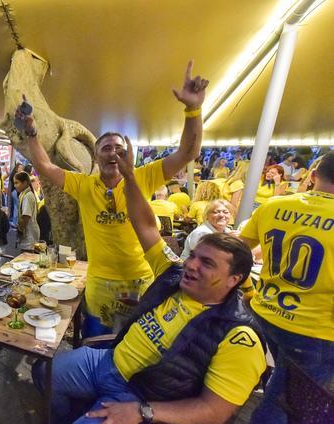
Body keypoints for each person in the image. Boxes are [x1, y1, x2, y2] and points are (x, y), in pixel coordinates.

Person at [34, 138, 266, 424]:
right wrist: (129, 176)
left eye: (207, 264)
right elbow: (144, 224)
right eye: (193, 256)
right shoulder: (173, 275)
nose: (192, 265)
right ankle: (73, 420)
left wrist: (143, 411)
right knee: (44, 371)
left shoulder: (239, 335)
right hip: (108, 360)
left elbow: (214, 414)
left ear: (235, 279)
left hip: (139, 395)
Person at [18, 60, 209, 337]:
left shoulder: (143, 176)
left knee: (136, 350)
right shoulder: (83, 184)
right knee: (97, 345)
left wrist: (193, 109)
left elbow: (188, 152)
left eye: (119, 148)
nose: (112, 153)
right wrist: (32, 133)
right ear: (96, 157)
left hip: (141, 281)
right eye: (106, 148)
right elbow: (46, 168)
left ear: (128, 153)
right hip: (99, 284)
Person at [240, 151, 334, 424]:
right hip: (314, 332)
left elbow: (235, 252)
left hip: (264, 313)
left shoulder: (274, 205)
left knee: (274, 390)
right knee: (281, 408)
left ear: (314, 176)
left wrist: (246, 290)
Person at [13, 171, 40, 251]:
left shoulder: (28, 196)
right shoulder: (23, 194)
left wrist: (20, 230)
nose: (15, 186)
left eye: (17, 183)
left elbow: (26, 217)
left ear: (25, 183)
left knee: (28, 258)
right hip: (28, 233)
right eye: (14, 183)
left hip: (29, 234)